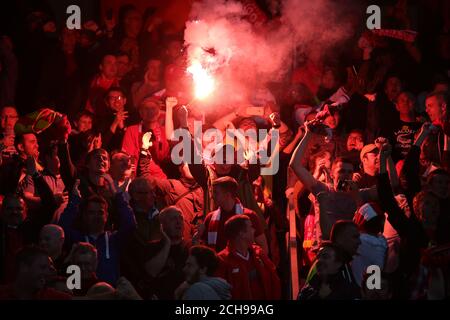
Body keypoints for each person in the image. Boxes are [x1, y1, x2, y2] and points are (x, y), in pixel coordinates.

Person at [58, 177, 136, 285]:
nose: (96, 216)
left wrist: (119, 196)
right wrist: (74, 200)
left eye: (100, 212)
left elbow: (130, 225)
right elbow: (62, 229)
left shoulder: (114, 240)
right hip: (81, 294)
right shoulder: (77, 239)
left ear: (106, 216)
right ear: (84, 216)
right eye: (91, 212)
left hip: (109, 295)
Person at [123, 206, 189, 299]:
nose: (178, 222)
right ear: (162, 225)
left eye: (180, 218)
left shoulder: (190, 247)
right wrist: (167, 244)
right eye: (173, 219)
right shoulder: (151, 247)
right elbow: (151, 272)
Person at [197, 176, 268, 254]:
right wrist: (198, 235)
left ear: (227, 195)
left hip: (242, 264)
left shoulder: (249, 216)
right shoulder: (210, 218)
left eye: (216, 193)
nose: (212, 196)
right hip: (217, 264)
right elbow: (203, 248)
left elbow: (263, 247)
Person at [217, 215, 281, 300]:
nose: (254, 230)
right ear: (241, 233)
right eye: (250, 227)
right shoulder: (223, 260)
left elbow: (274, 280)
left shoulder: (258, 253)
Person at [122, 97, 169, 179]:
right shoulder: (132, 130)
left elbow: (162, 157)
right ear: (141, 112)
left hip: (157, 178)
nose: (150, 112)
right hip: (137, 177)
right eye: (146, 109)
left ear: (158, 112)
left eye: (153, 108)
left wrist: (158, 139)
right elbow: (128, 156)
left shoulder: (162, 131)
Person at [0, 246, 71, 300]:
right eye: (42, 267)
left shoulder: (55, 297)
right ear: (24, 267)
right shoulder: (3, 294)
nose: (47, 273)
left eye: (49, 268)